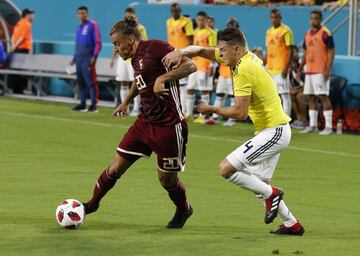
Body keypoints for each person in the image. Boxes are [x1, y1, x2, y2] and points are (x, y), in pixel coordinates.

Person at [163, 28, 304, 235]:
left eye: (223, 50)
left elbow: (240, 112)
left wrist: (210, 109)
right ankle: (293, 224)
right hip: (274, 129)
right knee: (259, 185)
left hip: (273, 132)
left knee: (226, 169)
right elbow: (203, 50)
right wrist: (181, 52)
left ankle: (273, 194)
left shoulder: (244, 69)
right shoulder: (245, 57)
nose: (220, 54)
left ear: (236, 49)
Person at [82, 17, 197, 229]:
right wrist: (126, 102)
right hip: (144, 123)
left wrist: (164, 79)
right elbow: (140, 80)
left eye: (117, 43)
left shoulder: (156, 47)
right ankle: (91, 204)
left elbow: (190, 65)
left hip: (169, 127)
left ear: (132, 39)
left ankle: (184, 209)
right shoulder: (136, 59)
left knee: (167, 181)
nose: (116, 49)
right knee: (115, 168)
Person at [298, 10, 335, 135]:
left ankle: (329, 127)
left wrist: (327, 70)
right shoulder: (307, 34)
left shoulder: (326, 33)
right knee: (310, 97)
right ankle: (312, 125)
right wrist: (300, 68)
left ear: (321, 19)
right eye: (312, 18)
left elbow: (331, 53)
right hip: (310, 71)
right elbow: (305, 53)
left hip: (320, 71)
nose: (314, 21)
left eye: (316, 18)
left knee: (323, 96)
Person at [110, 7, 148, 115]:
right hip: (123, 59)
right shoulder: (121, 30)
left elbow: (143, 42)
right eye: (127, 15)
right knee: (123, 82)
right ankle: (124, 106)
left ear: (135, 16)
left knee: (136, 82)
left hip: (134, 58)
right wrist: (113, 58)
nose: (129, 16)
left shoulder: (140, 28)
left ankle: (136, 108)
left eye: (131, 15)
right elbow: (117, 44)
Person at [186, 11, 217, 122]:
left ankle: (205, 116)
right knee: (190, 89)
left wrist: (213, 64)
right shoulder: (195, 32)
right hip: (194, 65)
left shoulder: (211, 32)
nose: (200, 22)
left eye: (202, 20)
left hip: (205, 65)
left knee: (204, 91)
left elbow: (214, 49)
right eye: (198, 19)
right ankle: (188, 114)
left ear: (206, 20)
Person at [70, 6, 102, 113]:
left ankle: (93, 105)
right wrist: (74, 58)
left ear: (87, 13)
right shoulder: (78, 27)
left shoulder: (92, 25)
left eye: (83, 13)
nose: (81, 15)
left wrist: (94, 57)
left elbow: (98, 43)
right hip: (79, 58)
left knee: (91, 82)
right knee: (80, 82)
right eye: (79, 13)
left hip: (88, 58)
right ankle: (82, 104)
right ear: (77, 15)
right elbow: (78, 45)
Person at [265, 9, 294, 117]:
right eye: (272, 17)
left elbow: (290, 50)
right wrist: (265, 66)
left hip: (281, 68)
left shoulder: (286, 31)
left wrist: (286, 68)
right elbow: (268, 50)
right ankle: (274, 119)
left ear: (280, 18)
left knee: (284, 94)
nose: (274, 19)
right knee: (272, 95)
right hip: (271, 68)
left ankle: (285, 121)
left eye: (276, 17)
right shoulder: (268, 32)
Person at [166, 3, 194, 115]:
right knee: (172, 83)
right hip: (171, 54)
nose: (174, 12)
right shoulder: (168, 22)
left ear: (180, 10)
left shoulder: (186, 22)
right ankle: (174, 109)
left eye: (176, 10)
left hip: (182, 55)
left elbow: (191, 38)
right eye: (173, 10)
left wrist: (189, 53)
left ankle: (182, 111)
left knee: (182, 85)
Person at [11, 8, 35, 93]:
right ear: (27, 15)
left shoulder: (18, 23)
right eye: (32, 14)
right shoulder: (27, 24)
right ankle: (19, 90)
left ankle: (16, 89)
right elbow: (22, 38)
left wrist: (13, 47)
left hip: (17, 49)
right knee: (20, 70)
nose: (33, 16)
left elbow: (13, 37)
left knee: (16, 69)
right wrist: (15, 47)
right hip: (22, 49)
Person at [289, 46, 307, 130]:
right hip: (296, 89)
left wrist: (299, 88)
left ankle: (304, 120)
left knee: (300, 96)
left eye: (295, 52)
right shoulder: (287, 67)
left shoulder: (302, 64)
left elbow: (307, 83)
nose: (294, 54)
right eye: (292, 52)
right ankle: (299, 119)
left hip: (306, 89)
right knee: (291, 95)